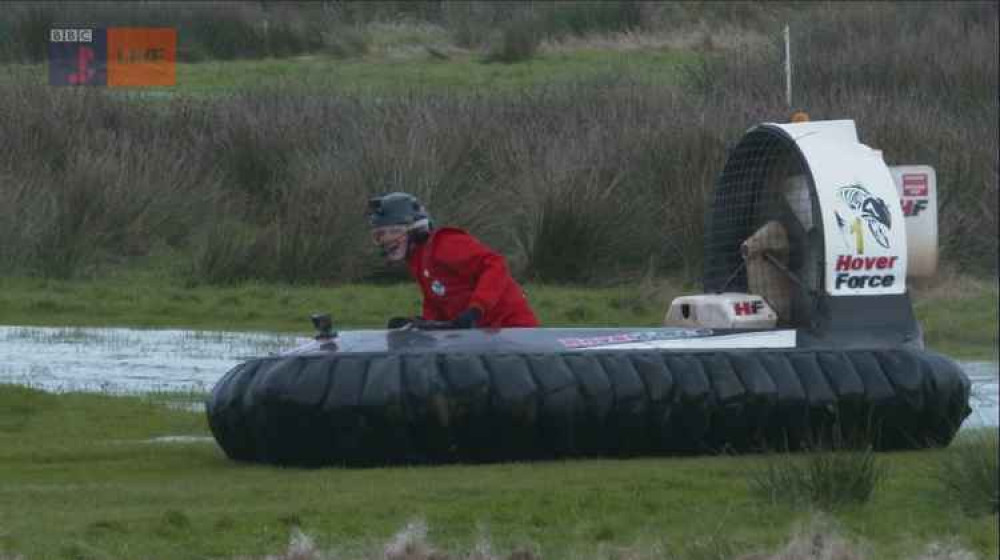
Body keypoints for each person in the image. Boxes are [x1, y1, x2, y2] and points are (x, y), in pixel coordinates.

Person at [366, 192, 540, 330]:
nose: (386, 239)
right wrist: (424, 324)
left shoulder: (445, 243)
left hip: (513, 331)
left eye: (394, 231)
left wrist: (476, 309)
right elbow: (436, 300)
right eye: (380, 234)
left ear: (416, 229)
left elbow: (495, 265)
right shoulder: (418, 260)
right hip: (481, 337)